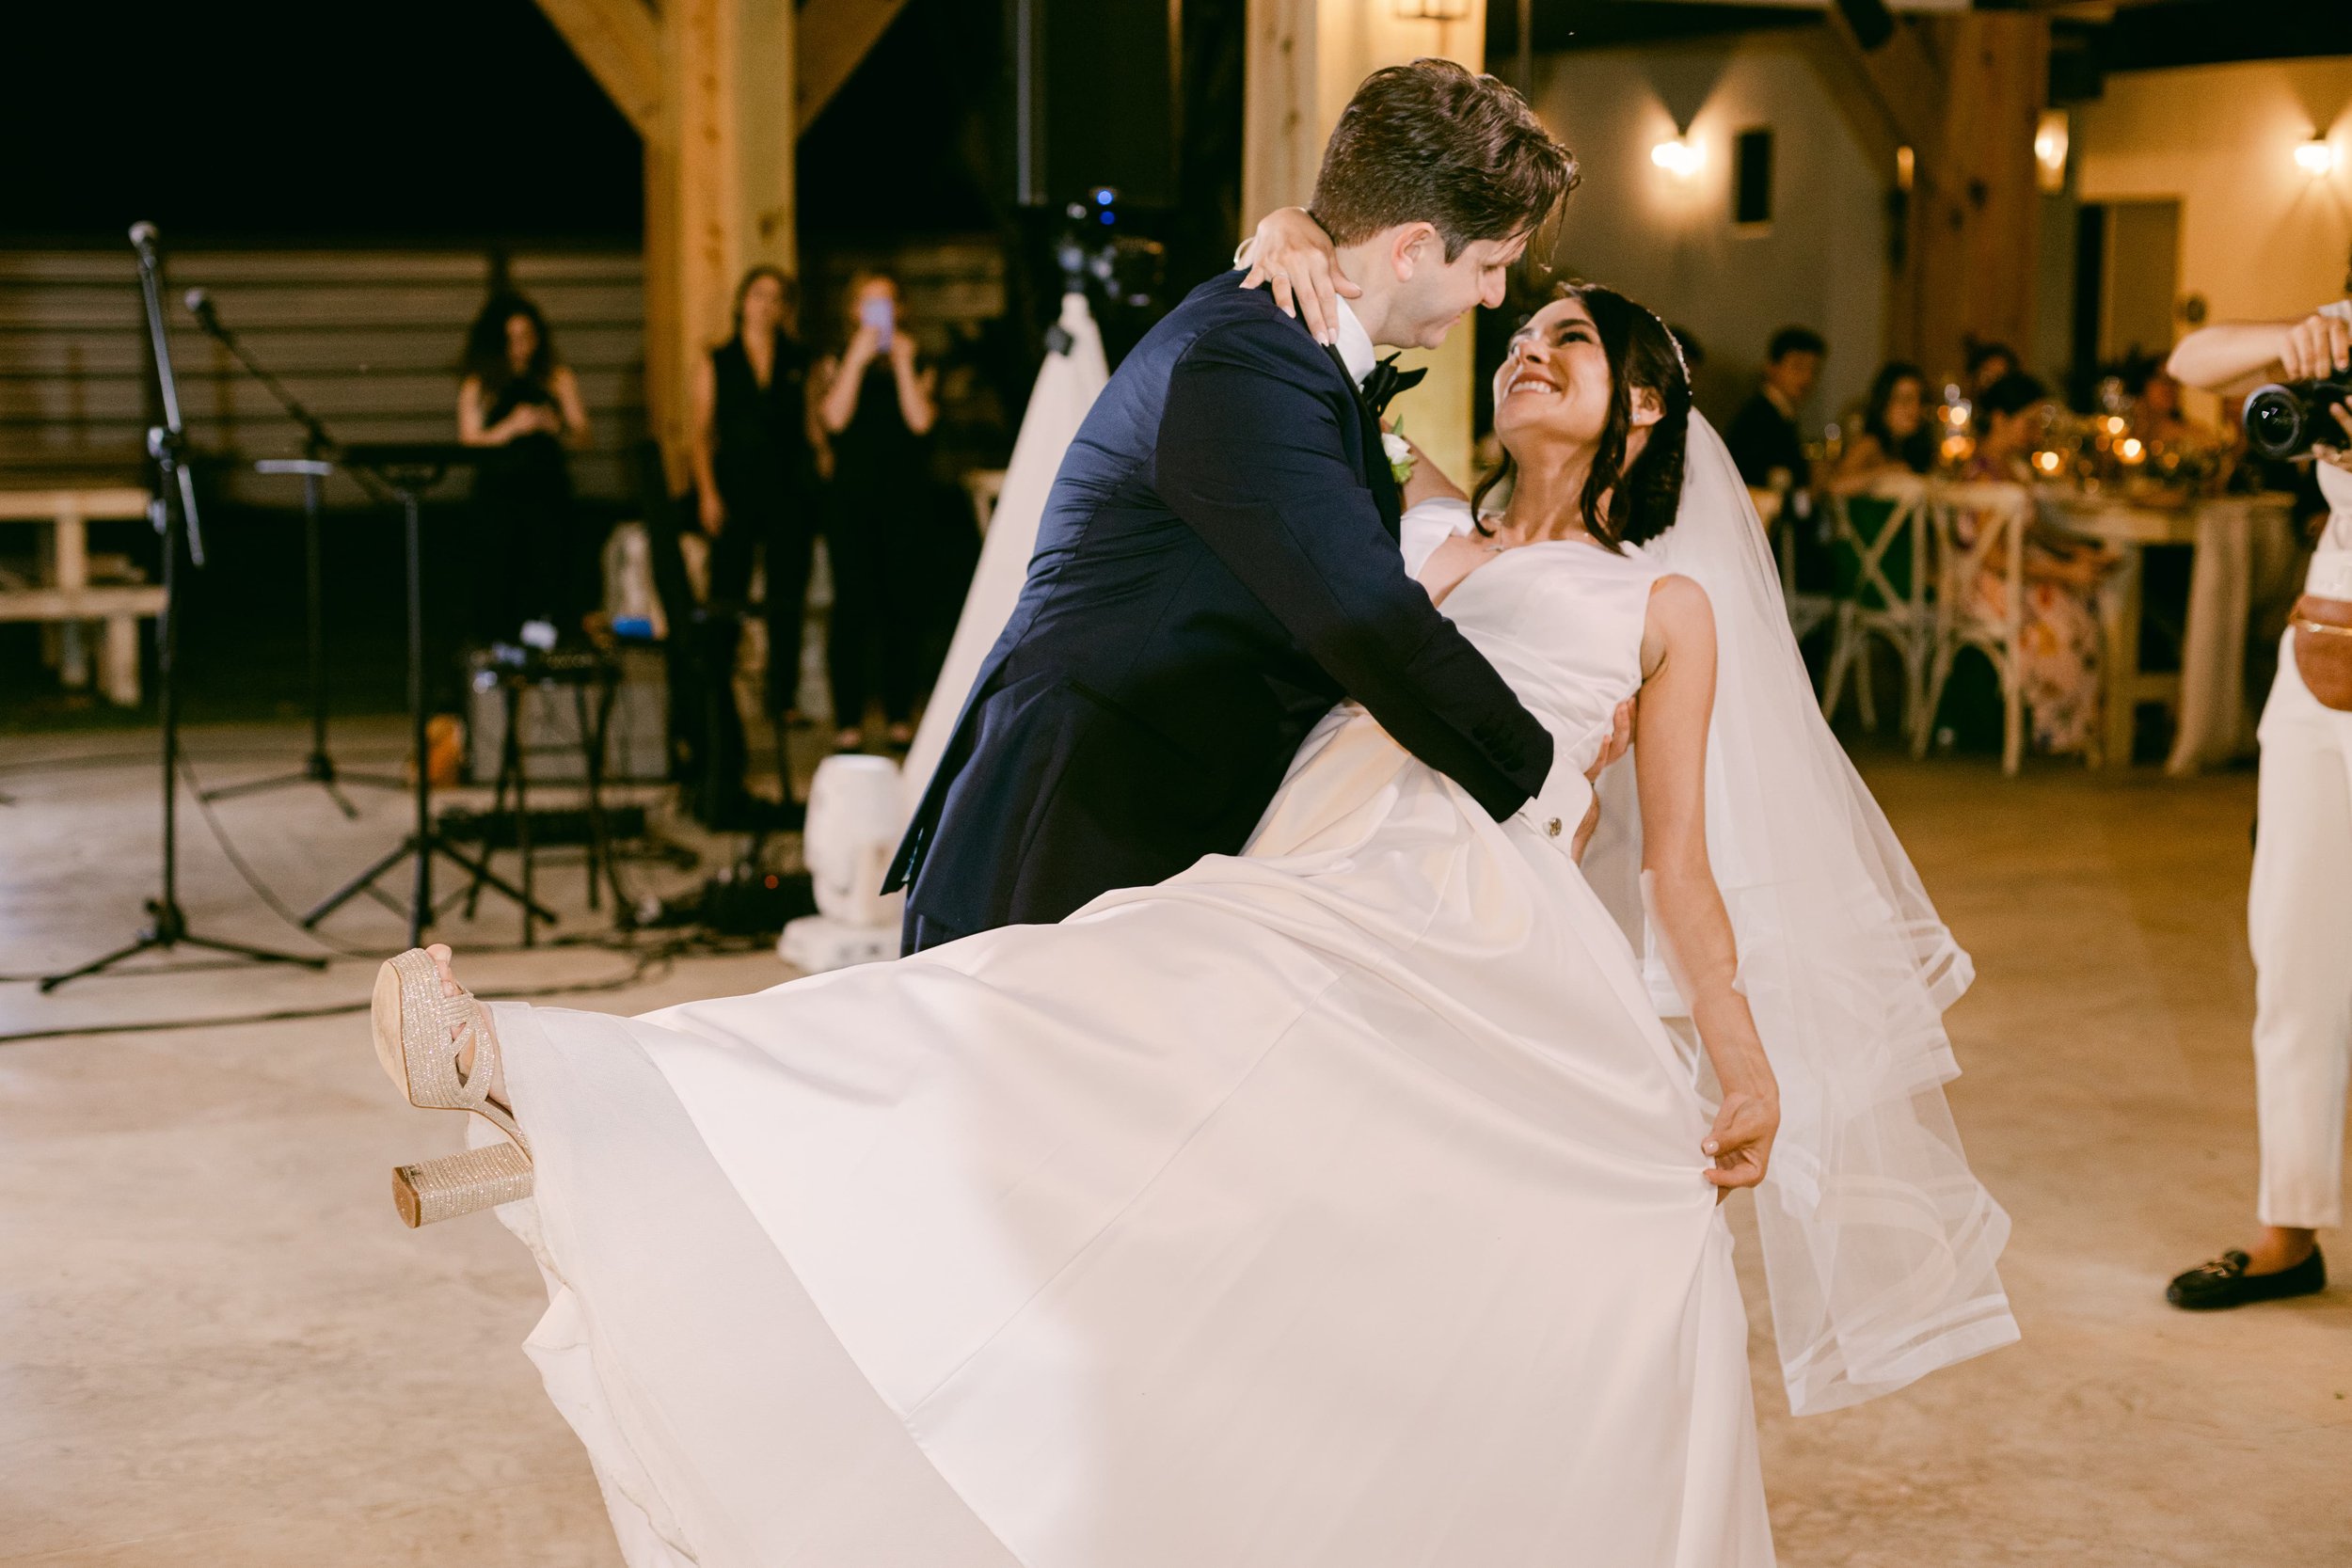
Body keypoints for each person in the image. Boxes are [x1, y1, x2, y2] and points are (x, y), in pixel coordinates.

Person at [363, 285, 2013, 1564]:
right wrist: (1279, 257)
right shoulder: (1426, 523)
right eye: (1522, 330)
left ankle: (581, 1093)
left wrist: (1740, 1054)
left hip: (1475, 919)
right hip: (1308, 863)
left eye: (1572, 341)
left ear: (1644, 408)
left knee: (1344, 1224)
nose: (1528, 347)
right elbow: (1308, 345)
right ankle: (564, 1083)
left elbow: (1675, 865)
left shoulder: (1662, 604)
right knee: (1054, 1025)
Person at [885, 61, 1572, 955]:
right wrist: (1542, 784)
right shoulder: (1248, 362)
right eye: (1489, 265)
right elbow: (1367, 619)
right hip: (1059, 838)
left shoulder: (1280, 340)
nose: (1491, 296)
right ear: (1409, 248)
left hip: (1137, 825)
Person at [2160, 298, 2352, 1308]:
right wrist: (2309, 340)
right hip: (2320, 661)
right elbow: (2193, 357)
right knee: (2294, 952)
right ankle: (2289, 1226)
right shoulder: (2345, 334)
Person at [1956, 372, 2116, 757]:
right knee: (2067, 623)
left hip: (2015, 569)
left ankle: (2075, 729)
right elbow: (1993, 557)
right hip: (1988, 581)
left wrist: (2075, 551)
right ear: (1999, 419)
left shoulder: (2013, 469)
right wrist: (2063, 571)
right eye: (2028, 423)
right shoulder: (1984, 477)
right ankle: (2053, 730)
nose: (2034, 433)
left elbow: (2033, 530)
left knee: (2089, 603)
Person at [691, 265, 822, 729]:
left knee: (788, 595)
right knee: (727, 591)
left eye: (776, 298)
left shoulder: (797, 360)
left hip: (788, 489)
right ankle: (714, 693)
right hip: (734, 487)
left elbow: (811, 427)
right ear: (743, 302)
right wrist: (707, 491)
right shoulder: (719, 360)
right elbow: (702, 435)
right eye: (758, 295)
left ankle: (781, 697)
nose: (766, 306)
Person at [817, 271, 936, 754]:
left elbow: (921, 421)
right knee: (851, 606)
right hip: (851, 497)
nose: (877, 313)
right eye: (868, 303)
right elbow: (833, 419)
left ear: (901, 309)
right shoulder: (835, 361)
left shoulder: (919, 357)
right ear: (853, 312)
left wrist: (904, 365)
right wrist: (856, 362)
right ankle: (847, 719)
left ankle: (898, 714)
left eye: (886, 302)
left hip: (905, 496)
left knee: (901, 605)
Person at [456, 293, 591, 644]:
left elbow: (583, 435)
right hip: (499, 494)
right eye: (511, 338)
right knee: (500, 577)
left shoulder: (556, 378)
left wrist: (554, 425)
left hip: (546, 492)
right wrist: (510, 428)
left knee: (548, 574)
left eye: (527, 336)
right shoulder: (481, 382)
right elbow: (468, 440)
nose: (520, 347)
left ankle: (543, 649)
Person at [1724, 324, 1825, 489]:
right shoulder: (1757, 417)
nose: (1806, 378)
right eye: (1797, 367)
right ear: (1771, 367)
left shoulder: (1782, 414)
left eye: (1813, 370)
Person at [1828, 359, 1935, 492]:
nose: (1915, 409)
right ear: (1884, 404)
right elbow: (1835, 485)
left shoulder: (1909, 446)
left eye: (1920, 401)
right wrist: (1883, 473)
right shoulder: (1869, 444)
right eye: (1905, 400)